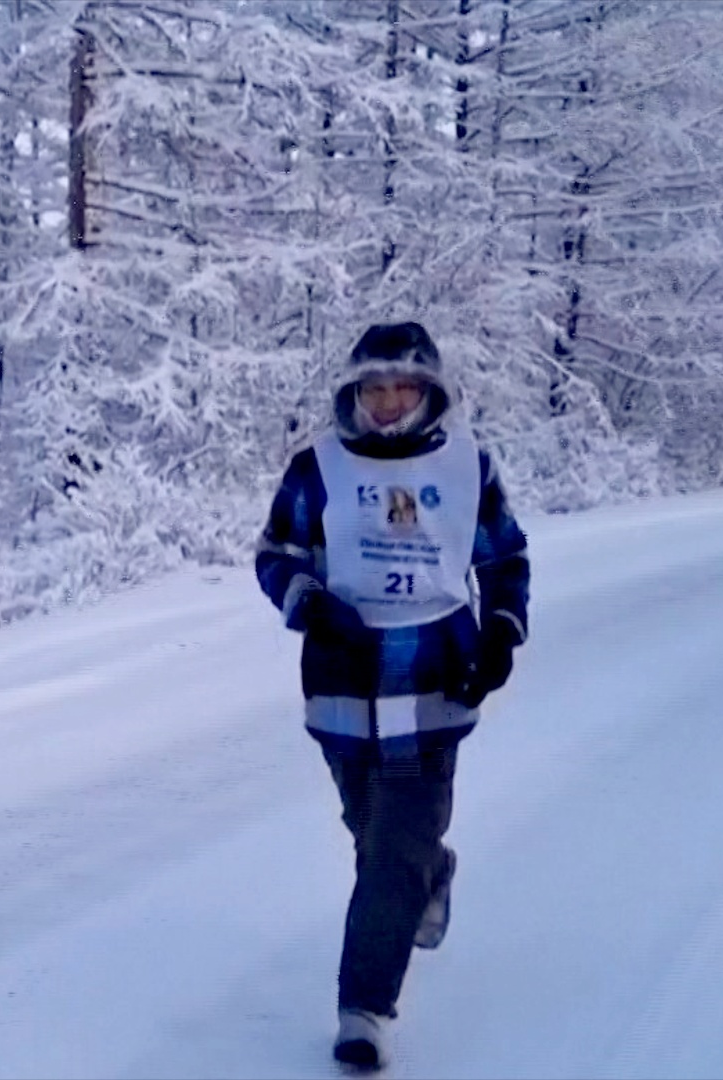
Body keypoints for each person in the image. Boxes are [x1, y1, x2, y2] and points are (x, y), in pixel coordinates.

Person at [254, 321, 530, 1070]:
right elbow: (277, 552)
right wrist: (308, 600)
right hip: (344, 682)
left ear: (428, 391)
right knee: (375, 836)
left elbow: (504, 558)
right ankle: (427, 873)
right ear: (355, 391)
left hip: (434, 678)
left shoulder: (469, 466)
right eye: (374, 388)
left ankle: (364, 1010)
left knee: (393, 848)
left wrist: (503, 630)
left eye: (402, 387)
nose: (387, 402)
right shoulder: (318, 466)